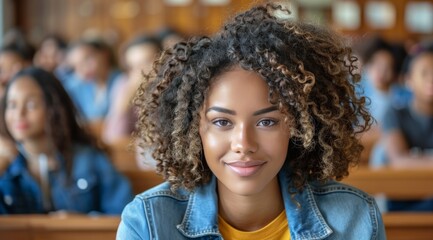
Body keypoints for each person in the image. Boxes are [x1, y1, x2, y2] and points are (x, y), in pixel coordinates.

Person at [117, 4, 385, 239]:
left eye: (267, 122)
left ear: (298, 127)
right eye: (222, 122)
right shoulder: (147, 222)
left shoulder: (354, 218)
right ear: (195, 127)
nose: (243, 145)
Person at [0, 67, 132, 214]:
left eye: (31, 105)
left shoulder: (90, 159)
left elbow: (123, 216)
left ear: (54, 107)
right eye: (12, 105)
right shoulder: (5, 164)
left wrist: (82, 224)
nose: (19, 114)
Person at [382, 44, 433, 211]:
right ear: (408, 80)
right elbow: (398, 160)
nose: (431, 79)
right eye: (424, 72)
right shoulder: (395, 114)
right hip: (404, 199)